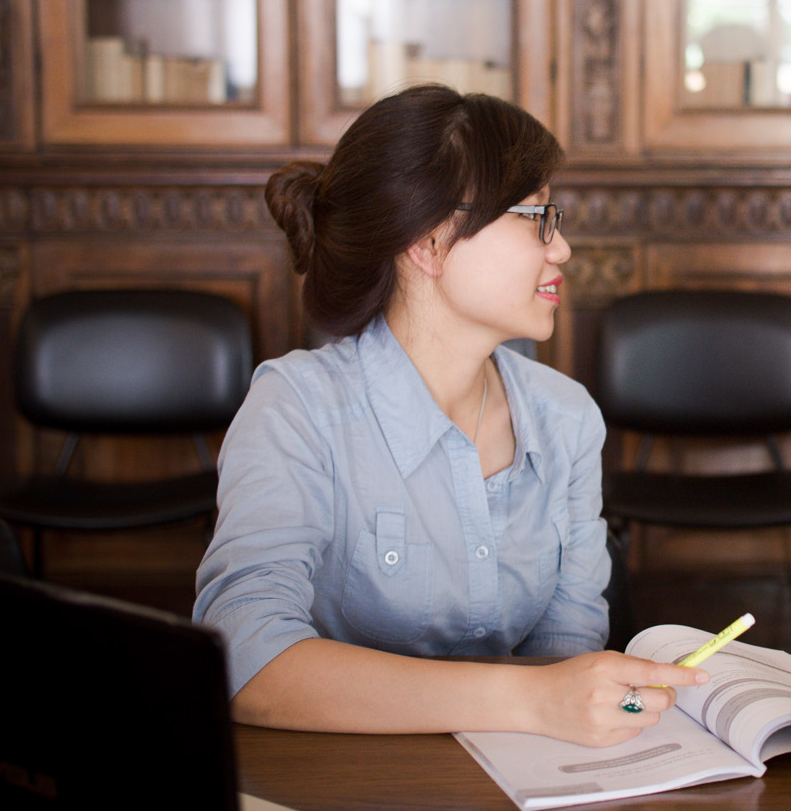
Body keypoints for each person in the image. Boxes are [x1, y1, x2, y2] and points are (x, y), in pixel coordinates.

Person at [194, 86, 704, 744]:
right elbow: (245, 658)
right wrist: (526, 699)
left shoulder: (566, 416)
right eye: (535, 217)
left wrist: (580, 700)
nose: (562, 249)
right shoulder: (296, 410)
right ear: (429, 244)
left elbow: (566, 653)